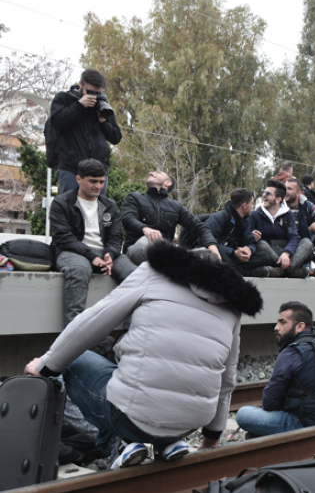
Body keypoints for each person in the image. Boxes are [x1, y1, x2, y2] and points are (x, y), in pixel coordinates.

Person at [24, 242, 262, 469]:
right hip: (189, 425)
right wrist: (211, 436)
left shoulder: (154, 273)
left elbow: (94, 320)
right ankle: (168, 442)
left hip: (130, 418)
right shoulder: (232, 306)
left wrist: (45, 366)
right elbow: (227, 378)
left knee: (73, 362)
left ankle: (117, 444)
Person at [51, 159, 137, 326]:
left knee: (136, 276)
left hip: (104, 253)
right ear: (78, 179)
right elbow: (63, 237)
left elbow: (116, 236)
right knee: (79, 270)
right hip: (72, 251)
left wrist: (110, 254)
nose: (98, 186)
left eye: (101, 182)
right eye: (93, 181)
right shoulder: (62, 202)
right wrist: (90, 256)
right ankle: (75, 332)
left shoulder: (109, 205)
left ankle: (129, 333)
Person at [235, 301, 315, 437]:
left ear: (300, 327)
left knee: (243, 414)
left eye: (282, 322)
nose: (276, 327)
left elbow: (269, 403)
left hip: (305, 424)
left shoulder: (292, 353)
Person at [49, 69, 122, 195]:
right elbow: (56, 123)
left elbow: (116, 137)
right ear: (80, 84)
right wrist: (79, 105)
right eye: (90, 92)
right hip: (71, 168)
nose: (94, 96)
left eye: (98, 93)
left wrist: (104, 121)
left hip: (98, 171)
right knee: (70, 210)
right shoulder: (65, 99)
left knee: (96, 211)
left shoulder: (102, 105)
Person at [122, 171, 220, 265]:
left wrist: (214, 251)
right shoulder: (135, 197)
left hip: (166, 255)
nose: (151, 173)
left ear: (168, 183)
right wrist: (145, 229)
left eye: (158, 173)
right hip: (137, 250)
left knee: (208, 255)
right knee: (147, 243)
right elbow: (127, 218)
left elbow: (200, 228)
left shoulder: (176, 206)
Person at [205, 188, 275, 277]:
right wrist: (233, 252)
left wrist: (248, 250)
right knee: (223, 259)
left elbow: (250, 242)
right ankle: (248, 273)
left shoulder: (244, 222)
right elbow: (207, 244)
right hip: (216, 256)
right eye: (252, 203)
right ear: (244, 205)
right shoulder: (218, 218)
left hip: (233, 258)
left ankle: (237, 271)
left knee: (264, 256)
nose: (252, 207)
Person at [249, 180, 308, 278]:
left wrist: (286, 253)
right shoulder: (255, 214)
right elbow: (246, 236)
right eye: (264, 192)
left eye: (268, 194)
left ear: (278, 199)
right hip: (268, 254)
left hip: (285, 252)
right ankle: (290, 271)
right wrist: (252, 235)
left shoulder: (288, 214)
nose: (264, 195)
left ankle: (282, 270)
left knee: (307, 242)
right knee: (261, 244)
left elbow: (293, 237)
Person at [284, 178, 315, 260]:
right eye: (284, 188)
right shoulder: (277, 206)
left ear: (298, 193)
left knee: (307, 243)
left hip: (301, 248)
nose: (285, 191)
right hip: (281, 246)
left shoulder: (306, 206)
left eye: (289, 189)